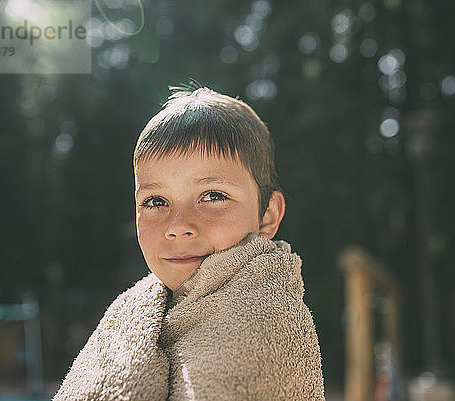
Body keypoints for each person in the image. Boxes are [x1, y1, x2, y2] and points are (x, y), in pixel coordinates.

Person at [53, 84, 325, 400]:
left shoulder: (265, 322)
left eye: (212, 196)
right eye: (156, 201)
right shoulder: (132, 313)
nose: (179, 226)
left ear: (268, 215)